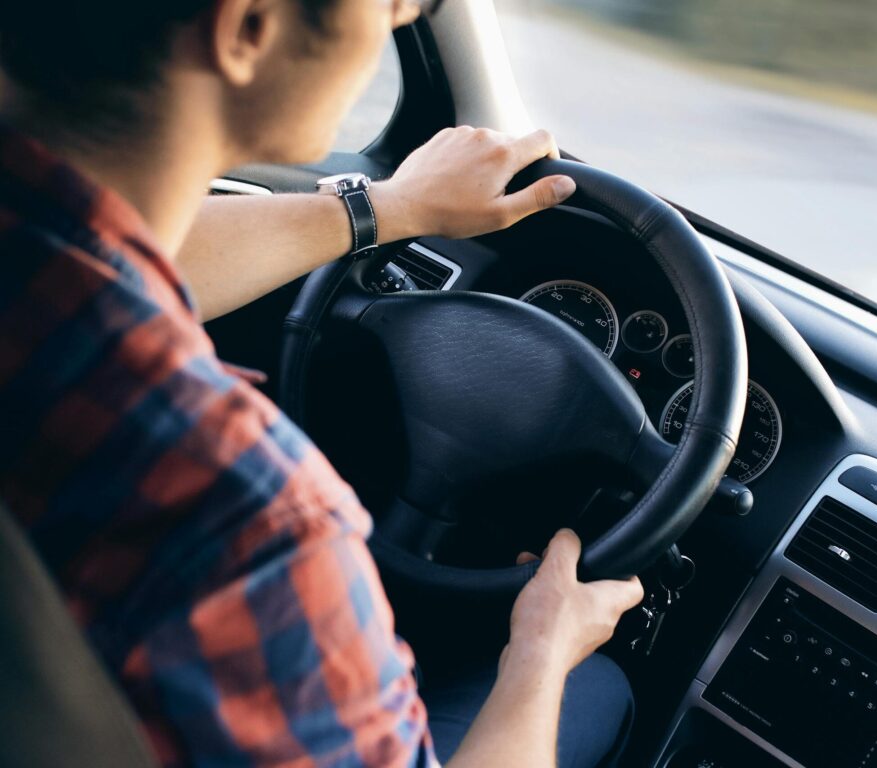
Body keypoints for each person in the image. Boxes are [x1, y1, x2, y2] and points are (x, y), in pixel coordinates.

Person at [0, 1, 645, 767]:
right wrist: (541, 649)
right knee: (596, 688)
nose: (400, 14)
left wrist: (393, 207)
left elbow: (125, 260)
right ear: (249, 27)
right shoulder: (246, 520)